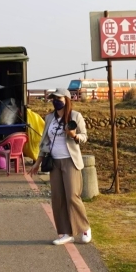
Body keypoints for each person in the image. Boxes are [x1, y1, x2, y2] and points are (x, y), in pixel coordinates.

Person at [29, 88, 91, 246]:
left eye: (58, 98)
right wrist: (38, 162)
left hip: (70, 161)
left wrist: (74, 135)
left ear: (67, 99)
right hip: (54, 162)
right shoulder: (49, 117)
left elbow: (84, 136)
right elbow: (45, 142)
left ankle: (84, 227)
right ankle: (65, 233)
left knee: (72, 196)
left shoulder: (75, 116)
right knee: (58, 198)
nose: (55, 101)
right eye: (53, 98)